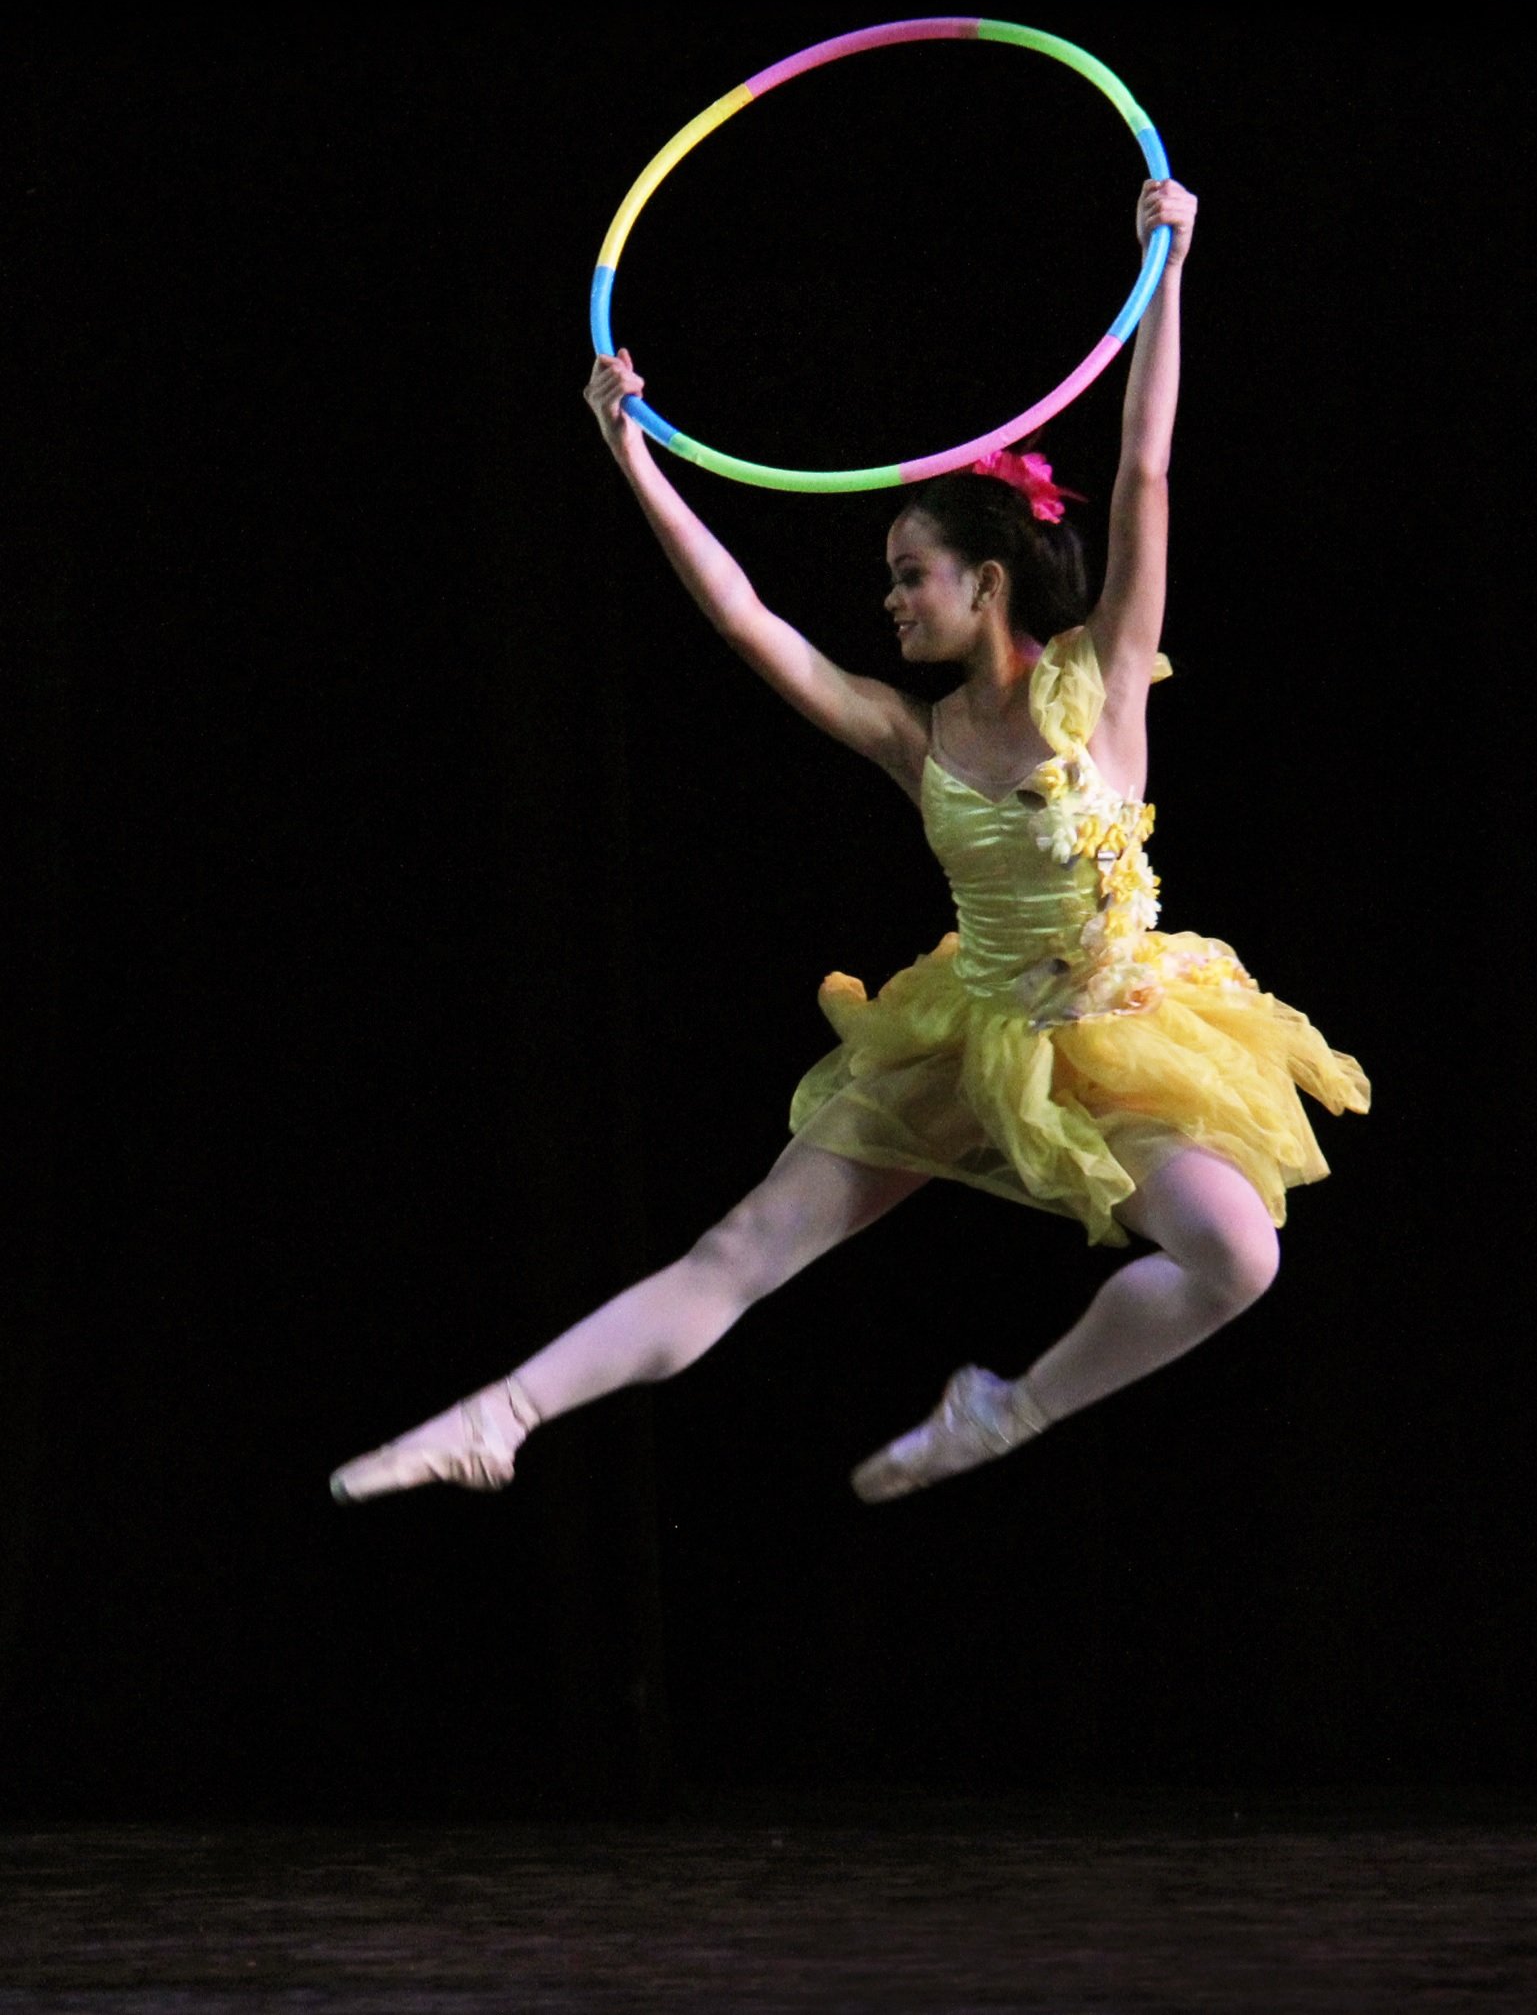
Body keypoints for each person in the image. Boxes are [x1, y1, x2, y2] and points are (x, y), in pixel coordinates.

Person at [329, 176, 1368, 1510]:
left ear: (984, 581)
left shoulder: (1097, 683)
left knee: (1236, 1258)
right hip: (967, 1033)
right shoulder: (906, 733)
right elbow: (746, 621)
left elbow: (1146, 468)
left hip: (1123, 1028)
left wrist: (1165, 264)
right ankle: (496, 1413)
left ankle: (1007, 1410)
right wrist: (628, 447)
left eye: (907, 574)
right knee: (742, 1248)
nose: (886, 599)